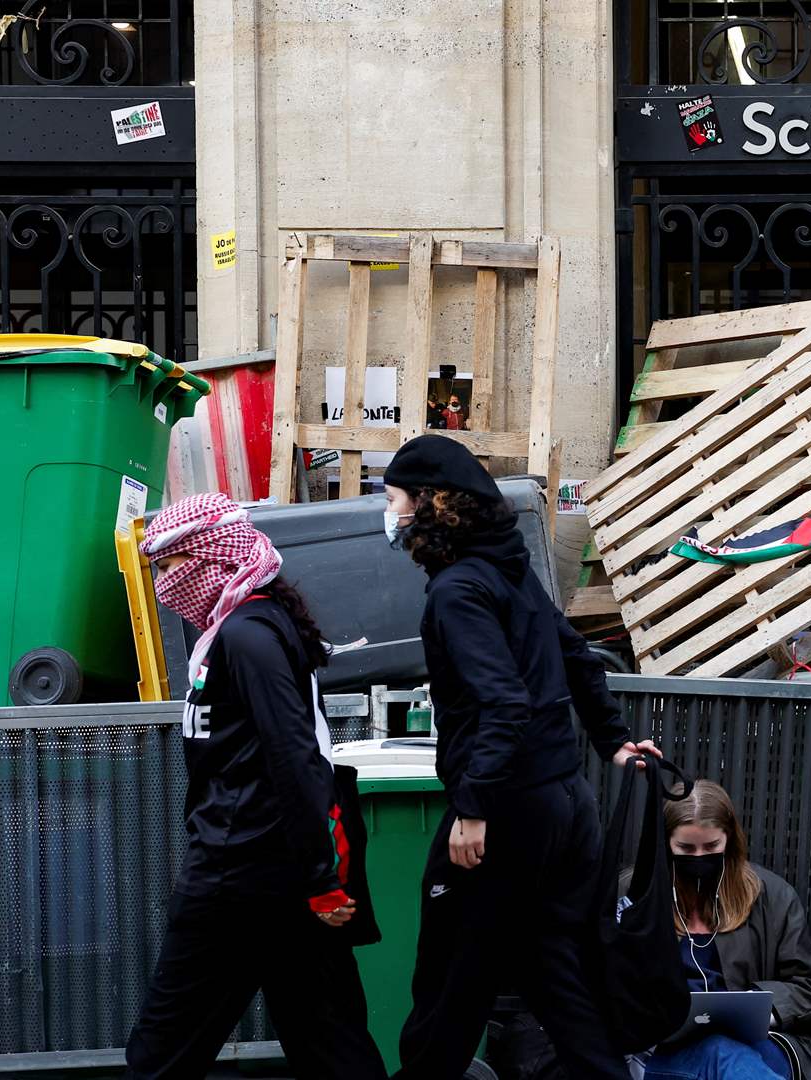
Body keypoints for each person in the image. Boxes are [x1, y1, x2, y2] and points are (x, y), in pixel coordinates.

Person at [383, 434, 659, 1080]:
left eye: (394, 498)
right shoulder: (512, 573)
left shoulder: (457, 591)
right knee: (553, 971)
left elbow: (504, 704)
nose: (389, 512)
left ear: (431, 503)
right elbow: (577, 656)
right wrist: (613, 740)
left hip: (506, 811)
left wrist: (473, 807)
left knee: (452, 976)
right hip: (564, 805)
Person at [124, 493, 386, 1080]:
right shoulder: (240, 630)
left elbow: (294, 756)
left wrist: (322, 879)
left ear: (211, 559)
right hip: (272, 870)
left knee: (162, 1050)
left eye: (170, 568)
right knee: (329, 1041)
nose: (166, 586)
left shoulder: (247, 636)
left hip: (241, 872)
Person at [641, 780, 811, 1080]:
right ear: (665, 844)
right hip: (664, 1052)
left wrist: (761, 1008)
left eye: (711, 847)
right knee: (720, 1053)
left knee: (727, 1053)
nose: (698, 858)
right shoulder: (635, 895)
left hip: (757, 1044)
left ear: (730, 841)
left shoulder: (770, 896)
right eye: (685, 848)